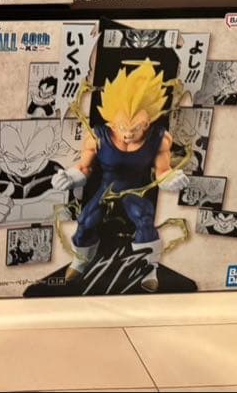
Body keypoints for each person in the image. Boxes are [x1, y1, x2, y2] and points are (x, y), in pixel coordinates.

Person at [52, 60, 188, 292]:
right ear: (111, 121)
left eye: (136, 128)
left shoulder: (159, 138)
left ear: (147, 123)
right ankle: (81, 260)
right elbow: (84, 168)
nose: (128, 134)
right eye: (122, 127)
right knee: (86, 220)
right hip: (107, 186)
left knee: (144, 219)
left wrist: (170, 179)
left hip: (135, 189)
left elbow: (162, 171)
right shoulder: (98, 136)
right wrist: (70, 177)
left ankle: (148, 268)